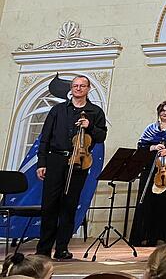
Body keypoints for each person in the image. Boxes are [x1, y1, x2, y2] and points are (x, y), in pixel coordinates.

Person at [35, 75, 108, 260]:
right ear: (71, 88)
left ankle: (62, 248)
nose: (78, 88)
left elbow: (101, 136)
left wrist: (89, 126)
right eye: (75, 86)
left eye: (82, 86)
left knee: (69, 206)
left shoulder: (95, 112)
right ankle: (43, 249)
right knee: (49, 205)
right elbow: (45, 138)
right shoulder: (58, 110)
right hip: (56, 160)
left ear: (88, 89)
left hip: (79, 163)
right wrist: (42, 163)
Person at [130, 101, 166, 247]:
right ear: (158, 112)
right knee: (148, 202)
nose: (165, 113)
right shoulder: (151, 128)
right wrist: (153, 147)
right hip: (151, 170)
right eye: (162, 110)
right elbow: (141, 145)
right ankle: (146, 237)